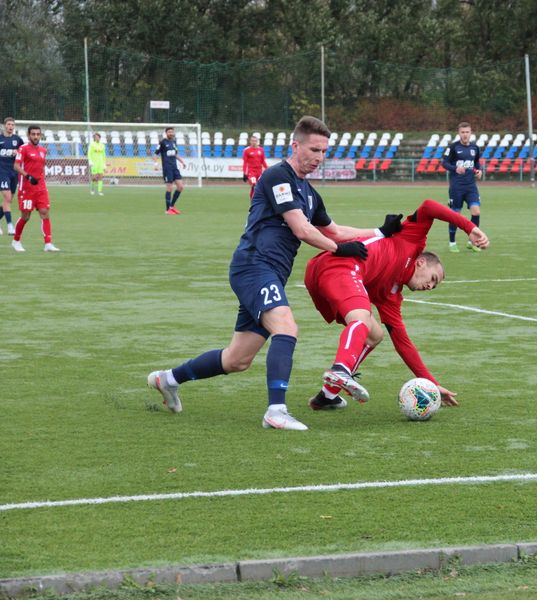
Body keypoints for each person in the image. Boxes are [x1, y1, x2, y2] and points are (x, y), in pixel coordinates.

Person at [147, 116, 403, 431]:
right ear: (295, 145)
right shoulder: (277, 176)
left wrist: (379, 232)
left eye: (324, 152)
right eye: (314, 149)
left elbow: (334, 230)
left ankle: (168, 379)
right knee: (286, 327)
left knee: (236, 360)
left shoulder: (310, 192)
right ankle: (276, 411)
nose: (319, 158)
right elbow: (302, 228)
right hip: (254, 265)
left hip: (268, 273)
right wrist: (339, 250)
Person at [304, 198, 489, 411]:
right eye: (432, 279)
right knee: (361, 317)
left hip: (327, 277)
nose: (430, 286)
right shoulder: (411, 240)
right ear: (421, 262)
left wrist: (431, 383)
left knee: (375, 335)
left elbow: (403, 343)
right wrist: (470, 228)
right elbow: (429, 206)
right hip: (340, 263)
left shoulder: (391, 296)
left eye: (434, 286)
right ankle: (341, 370)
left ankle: (328, 396)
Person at [11, 125, 58, 252]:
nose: (36, 136)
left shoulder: (43, 150)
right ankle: (16, 241)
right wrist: (27, 176)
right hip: (26, 188)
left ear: (40, 135)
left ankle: (48, 243)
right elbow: (16, 166)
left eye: (38, 134)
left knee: (44, 212)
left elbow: (40, 167)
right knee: (26, 216)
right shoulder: (23, 149)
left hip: (41, 187)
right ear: (28, 135)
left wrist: (41, 179)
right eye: (33, 134)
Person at [441, 122, 483, 253]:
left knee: (476, 212)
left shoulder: (475, 148)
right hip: (456, 187)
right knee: (455, 215)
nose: (465, 135)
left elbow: (476, 162)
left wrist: (479, 171)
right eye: (462, 132)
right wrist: (455, 168)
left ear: (471, 133)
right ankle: (452, 242)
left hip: (471, 186)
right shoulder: (453, 147)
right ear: (459, 133)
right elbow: (444, 163)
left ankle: (472, 241)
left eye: (467, 132)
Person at [154, 126, 187, 214]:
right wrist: (156, 164)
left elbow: (175, 154)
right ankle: (167, 209)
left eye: (172, 132)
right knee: (169, 188)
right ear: (166, 133)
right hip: (167, 168)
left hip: (174, 168)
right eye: (169, 132)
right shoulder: (162, 142)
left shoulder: (174, 142)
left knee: (180, 187)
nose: (171, 133)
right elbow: (155, 154)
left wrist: (182, 162)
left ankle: (171, 206)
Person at [0, 117, 24, 235]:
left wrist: (18, 152)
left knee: (8, 200)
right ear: (4, 126)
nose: (10, 127)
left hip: (14, 173)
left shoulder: (18, 140)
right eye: (9, 124)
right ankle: (10, 226)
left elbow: (24, 153)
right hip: (2, 172)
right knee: (7, 198)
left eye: (12, 125)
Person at [242, 134, 268, 200]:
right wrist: (245, 173)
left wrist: (268, 169)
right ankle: (252, 200)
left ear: (257, 141)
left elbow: (263, 161)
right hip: (251, 171)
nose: (254, 142)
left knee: (259, 186)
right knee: (254, 185)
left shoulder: (261, 150)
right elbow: (245, 163)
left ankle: (257, 200)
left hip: (259, 171)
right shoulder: (246, 150)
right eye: (253, 141)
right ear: (250, 141)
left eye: (255, 141)